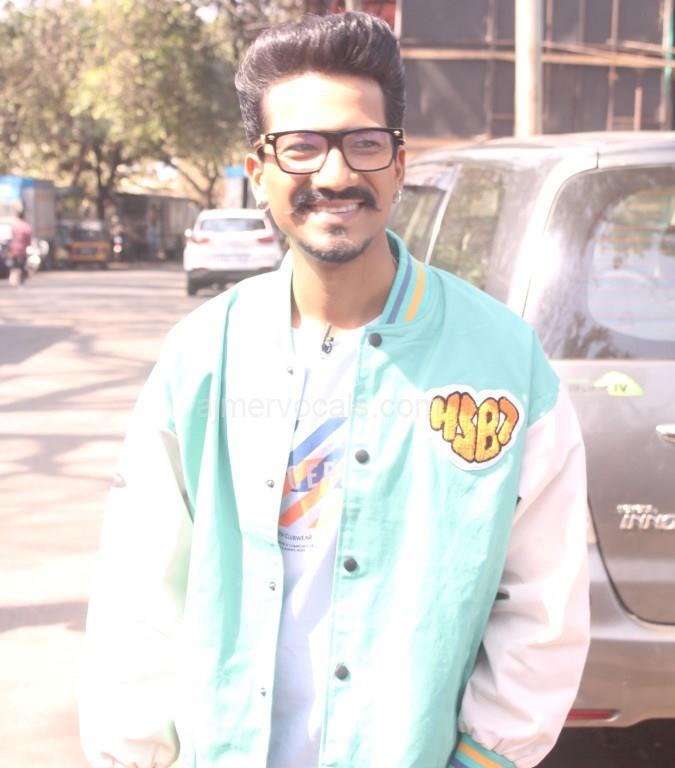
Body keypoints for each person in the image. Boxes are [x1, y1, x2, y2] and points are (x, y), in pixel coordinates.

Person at [80, 12, 589, 768]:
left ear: (399, 163)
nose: (334, 174)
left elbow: (542, 602)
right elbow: (142, 590)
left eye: (364, 143)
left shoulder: (502, 362)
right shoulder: (201, 357)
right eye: (301, 147)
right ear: (259, 169)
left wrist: (486, 757)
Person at [7, 204, 32, 285]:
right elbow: (28, 238)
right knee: (22, 265)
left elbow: (12, 236)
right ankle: (22, 280)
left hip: (14, 248)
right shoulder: (26, 226)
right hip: (22, 249)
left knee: (15, 265)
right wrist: (28, 245)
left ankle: (13, 279)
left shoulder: (15, 225)